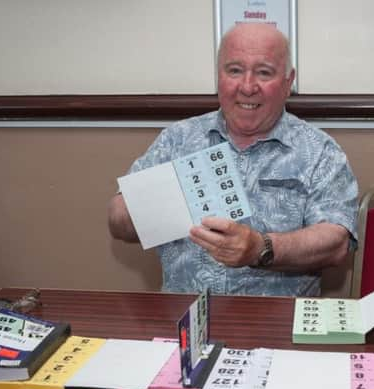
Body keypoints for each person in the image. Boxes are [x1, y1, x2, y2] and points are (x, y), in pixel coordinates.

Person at [108, 23, 358, 296]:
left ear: (288, 83)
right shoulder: (178, 140)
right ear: (219, 77)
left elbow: (336, 242)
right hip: (184, 319)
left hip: (280, 326)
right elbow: (118, 220)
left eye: (264, 72)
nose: (247, 87)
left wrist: (260, 248)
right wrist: (148, 208)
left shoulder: (320, 151)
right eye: (235, 70)